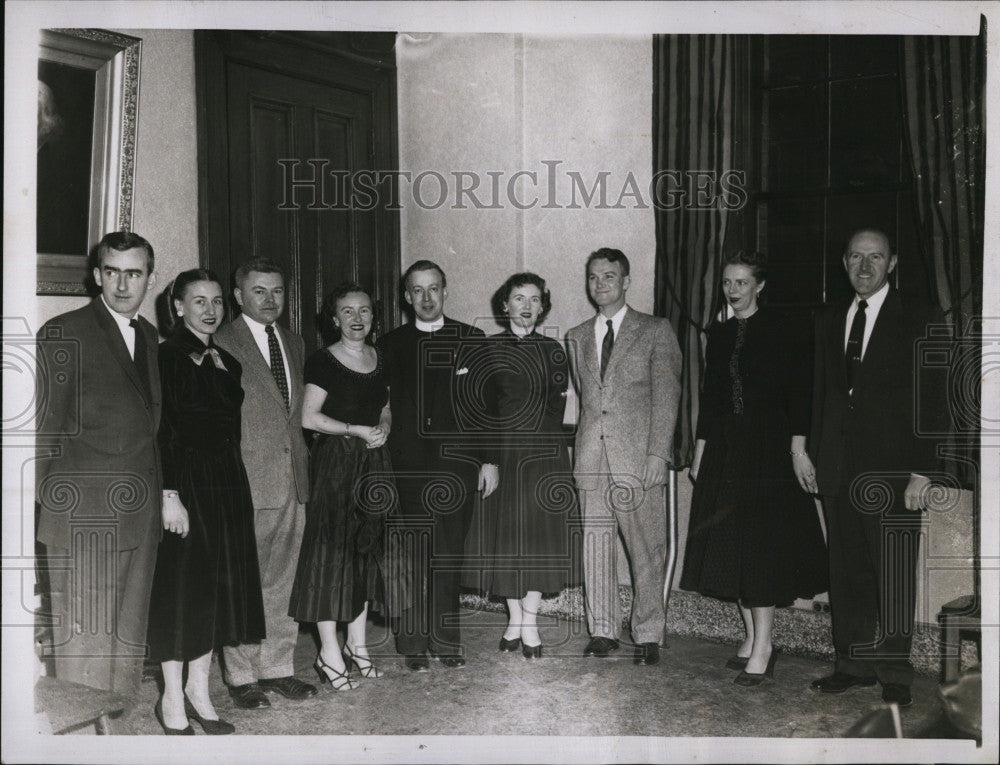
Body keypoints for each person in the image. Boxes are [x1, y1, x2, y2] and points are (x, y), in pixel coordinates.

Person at [808, 228, 946, 708]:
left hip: (893, 472)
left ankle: (893, 671)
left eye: (876, 257)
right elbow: (821, 395)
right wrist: (807, 450)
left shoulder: (919, 318)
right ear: (844, 262)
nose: (864, 267)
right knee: (845, 570)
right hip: (837, 467)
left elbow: (935, 400)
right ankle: (851, 663)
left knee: (891, 570)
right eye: (855, 257)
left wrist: (924, 471)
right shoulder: (830, 318)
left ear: (893, 263)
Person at [680, 251, 827, 686]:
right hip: (726, 448)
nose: (733, 290)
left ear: (760, 285)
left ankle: (764, 644)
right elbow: (711, 396)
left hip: (768, 451)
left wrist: (798, 449)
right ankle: (749, 637)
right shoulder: (720, 333)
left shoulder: (784, 329)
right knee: (732, 544)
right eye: (727, 283)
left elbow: (800, 394)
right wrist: (702, 450)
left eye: (742, 282)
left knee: (759, 550)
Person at [35, 231, 162, 701]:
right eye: (113, 272)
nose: (123, 284)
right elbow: (44, 430)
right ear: (97, 275)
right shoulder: (63, 331)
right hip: (83, 514)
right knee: (85, 639)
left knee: (128, 633)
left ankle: (117, 728)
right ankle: (85, 737)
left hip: (139, 509)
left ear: (150, 277)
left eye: (134, 273)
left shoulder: (148, 334)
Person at [145, 269, 265, 735]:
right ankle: (171, 697)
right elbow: (163, 434)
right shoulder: (166, 358)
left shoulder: (227, 363)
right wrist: (169, 494)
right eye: (198, 301)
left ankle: (200, 689)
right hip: (185, 485)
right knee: (181, 590)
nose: (211, 310)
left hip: (226, 484)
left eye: (217, 301)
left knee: (215, 589)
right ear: (177, 306)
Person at [378, 260, 500, 671]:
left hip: (457, 468)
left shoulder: (472, 338)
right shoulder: (390, 344)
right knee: (410, 557)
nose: (426, 298)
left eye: (434, 289)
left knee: (448, 556)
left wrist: (489, 461)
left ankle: (447, 642)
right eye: (417, 290)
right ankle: (412, 644)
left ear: (445, 291)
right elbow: (381, 404)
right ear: (406, 296)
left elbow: (487, 407)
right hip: (406, 468)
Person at [565, 248, 682, 666]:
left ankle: (649, 632)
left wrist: (658, 453)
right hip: (592, 458)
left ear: (626, 281)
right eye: (594, 277)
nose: (601, 285)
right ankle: (603, 630)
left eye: (609, 277)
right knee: (596, 546)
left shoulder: (654, 330)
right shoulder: (576, 336)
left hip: (638, 459)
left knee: (645, 549)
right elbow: (589, 399)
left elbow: (668, 399)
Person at [215, 259, 317, 709]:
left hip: (294, 480)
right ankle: (240, 676)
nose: (270, 300)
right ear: (238, 296)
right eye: (259, 291)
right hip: (248, 482)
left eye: (277, 291)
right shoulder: (221, 342)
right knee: (244, 581)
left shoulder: (293, 343)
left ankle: (277, 668)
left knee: (283, 581)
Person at [289, 284, 400, 690]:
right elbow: (309, 417)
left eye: (365, 311)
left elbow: (385, 405)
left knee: (365, 552)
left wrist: (384, 426)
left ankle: (358, 645)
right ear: (334, 319)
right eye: (348, 312)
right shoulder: (323, 361)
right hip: (336, 461)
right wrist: (354, 430)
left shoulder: (379, 357)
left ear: (373, 316)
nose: (357, 319)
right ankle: (329, 652)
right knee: (331, 557)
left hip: (374, 461)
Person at [464, 273, 580, 659]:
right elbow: (479, 410)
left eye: (534, 299)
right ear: (504, 305)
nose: (527, 306)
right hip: (501, 454)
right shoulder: (485, 348)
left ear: (543, 305)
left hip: (543, 455)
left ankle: (528, 622)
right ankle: (514, 619)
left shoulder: (554, 350)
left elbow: (556, 409)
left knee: (535, 541)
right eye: (518, 298)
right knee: (505, 540)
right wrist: (488, 459)